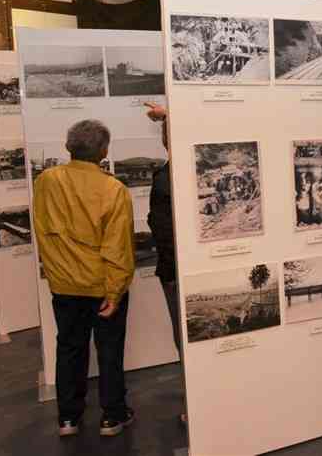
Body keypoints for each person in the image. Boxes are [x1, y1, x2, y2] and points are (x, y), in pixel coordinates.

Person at [32, 119, 135, 438]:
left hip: (64, 284)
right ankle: (112, 416)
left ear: (68, 147)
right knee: (109, 349)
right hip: (103, 284)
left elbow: (44, 230)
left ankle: (68, 418)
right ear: (104, 151)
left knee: (69, 348)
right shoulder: (113, 189)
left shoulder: (47, 180)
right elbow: (118, 246)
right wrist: (115, 291)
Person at [145, 102, 187, 425]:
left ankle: (195, 407)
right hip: (179, 270)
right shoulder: (192, 172)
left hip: (175, 272)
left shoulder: (163, 179)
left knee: (184, 341)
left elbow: (161, 231)